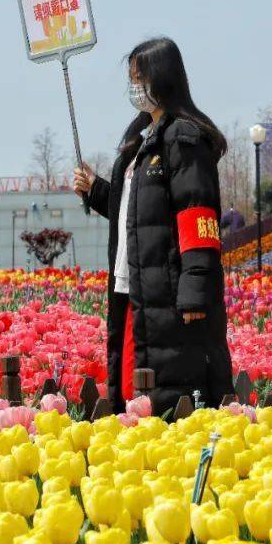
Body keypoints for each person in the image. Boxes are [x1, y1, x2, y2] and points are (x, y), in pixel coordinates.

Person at [73, 37, 233, 416]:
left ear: (162, 78)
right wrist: (97, 191)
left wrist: (195, 291)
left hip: (172, 293)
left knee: (170, 389)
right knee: (135, 389)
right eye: (131, 78)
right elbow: (140, 215)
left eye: (139, 77)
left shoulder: (183, 138)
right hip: (137, 288)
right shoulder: (142, 142)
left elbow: (197, 215)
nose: (134, 88)